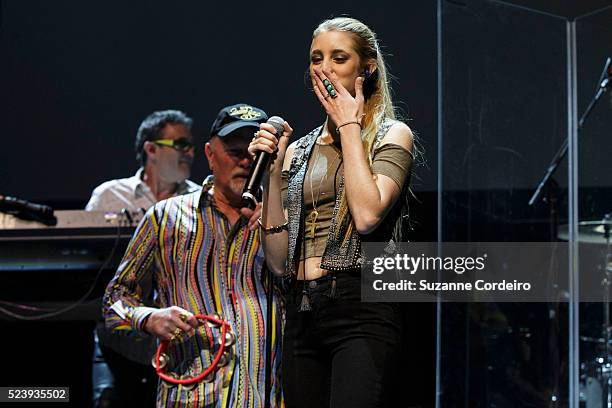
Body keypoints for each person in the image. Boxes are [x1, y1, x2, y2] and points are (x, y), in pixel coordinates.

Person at [250, 17, 415, 408]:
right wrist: (272, 178)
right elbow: (277, 261)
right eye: (316, 58)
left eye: (338, 58)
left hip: (359, 307)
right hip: (302, 312)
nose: (324, 69)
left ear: (367, 67)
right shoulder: (298, 150)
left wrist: (349, 125)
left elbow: (367, 215)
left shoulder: (392, 134)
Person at [103, 103, 284, 407]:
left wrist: (278, 217)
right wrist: (149, 317)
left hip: (261, 397)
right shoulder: (166, 217)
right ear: (211, 155)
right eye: (234, 150)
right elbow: (113, 303)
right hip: (190, 398)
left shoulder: (280, 222)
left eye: (255, 152)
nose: (245, 160)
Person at [86, 110, 200, 407]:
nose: (189, 152)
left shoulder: (201, 199)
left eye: (190, 145)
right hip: (118, 343)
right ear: (151, 148)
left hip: (180, 341)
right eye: (180, 145)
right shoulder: (110, 196)